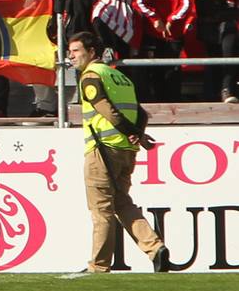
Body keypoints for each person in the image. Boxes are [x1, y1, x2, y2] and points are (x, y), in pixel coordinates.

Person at [66, 31, 170, 273]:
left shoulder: (91, 76)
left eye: (76, 51)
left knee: (100, 208)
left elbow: (105, 108)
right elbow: (141, 113)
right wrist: (137, 134)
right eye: (70, 52)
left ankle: (98, 266)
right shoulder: (120, 76)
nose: (70, 56)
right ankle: (155, 248)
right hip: (125, 150)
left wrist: (129, 130)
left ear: (91, 52)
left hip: (102, 149)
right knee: (122, 202)